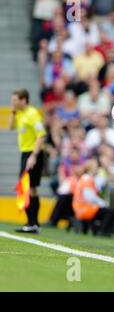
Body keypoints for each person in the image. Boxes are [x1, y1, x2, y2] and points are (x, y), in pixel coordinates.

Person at [9, 89, 47, 233]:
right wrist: (13, 111)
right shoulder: (20, 113)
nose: (12, 103)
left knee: (27, 188)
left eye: (15, 100)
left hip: (32, 154)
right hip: (25, 153)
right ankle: (33, 223)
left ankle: (32, 223)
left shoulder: (33, 114)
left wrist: (34, 156)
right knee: (30, 189)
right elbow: (11, 126)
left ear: (23, 100)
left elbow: (41, 135)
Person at [72, 158, 114, 236]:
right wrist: (102, 203)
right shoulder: (87, 179)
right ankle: (102, 231)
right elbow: (90, 198)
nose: (97, 168)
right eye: (96, 166)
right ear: (91, 168)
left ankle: (101, 230)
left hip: (81, 209)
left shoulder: (85, 178)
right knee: (111, 211)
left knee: (108, 210)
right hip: (85, 209)